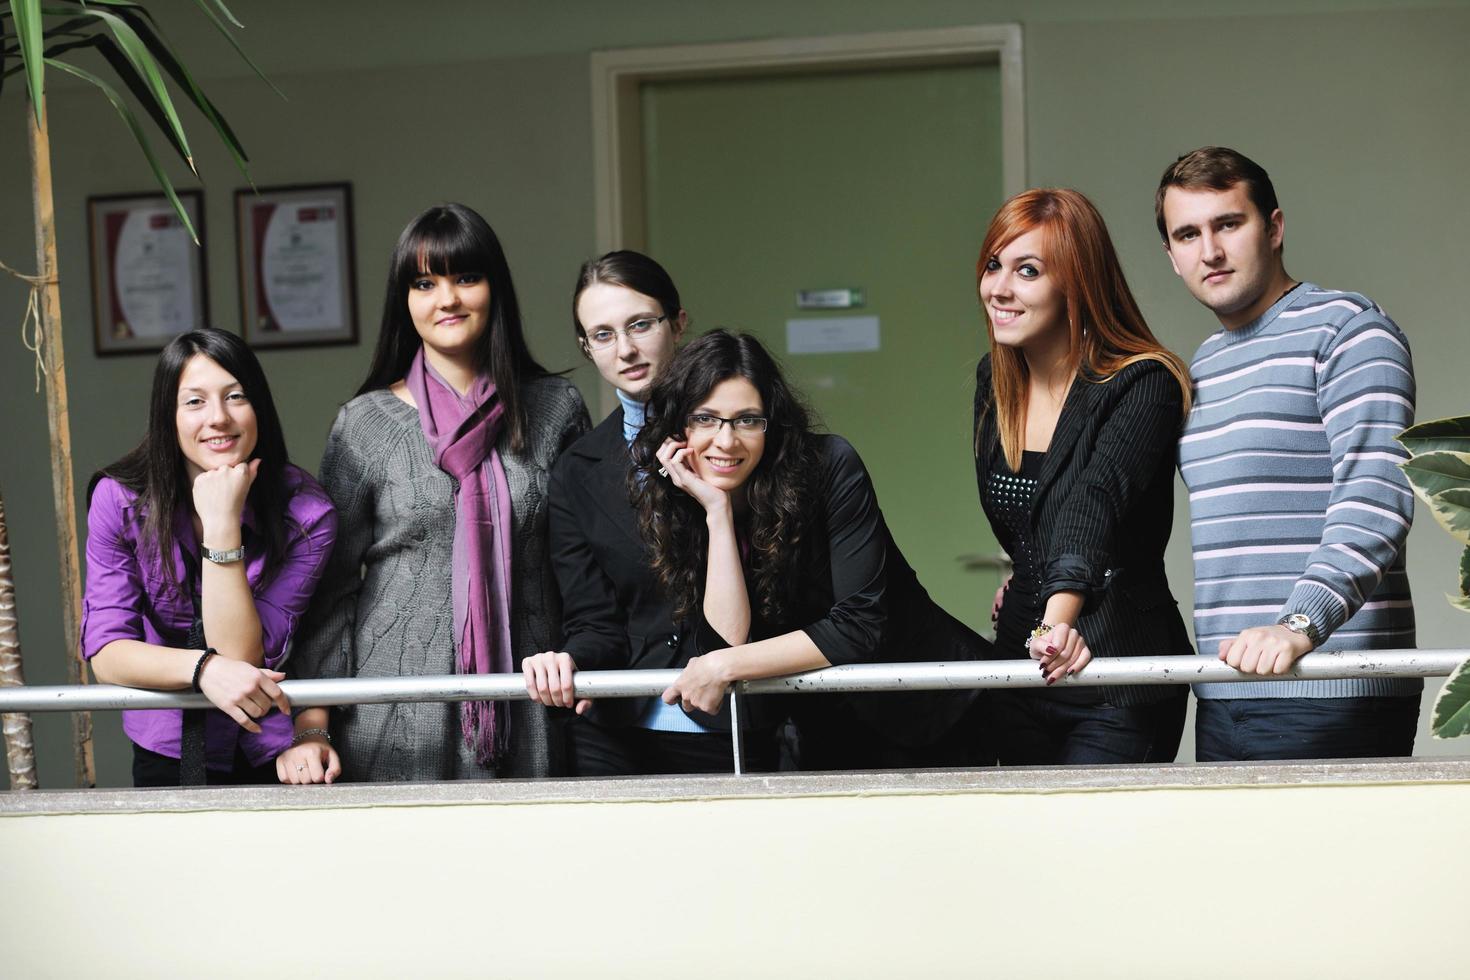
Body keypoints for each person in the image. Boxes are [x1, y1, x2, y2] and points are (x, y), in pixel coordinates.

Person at [281, 203, 590, 783]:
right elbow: (332, 593)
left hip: (530, 701)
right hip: (395, 708)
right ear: (406, 300)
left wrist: (586, 660)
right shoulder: (365, 424)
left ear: (494, 289)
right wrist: (312, 726)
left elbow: (580, 568)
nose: (446, 299)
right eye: (425, 283)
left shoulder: (555, 410)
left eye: (465, 278)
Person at [1157, 146, 1419, 761]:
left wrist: (1299, 625)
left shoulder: (1349, 330)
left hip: (1330, 684)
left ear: (1273, 228)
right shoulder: (1204, 365)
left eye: (1228, 224)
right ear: (1172, 257)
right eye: (1188, 234)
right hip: (1226, 691)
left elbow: (1377, 496)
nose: (1210, 251)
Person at [630, 330, 983, 770]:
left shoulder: (829, 465)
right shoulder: (690, 501)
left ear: (771, 423)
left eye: (747, 419)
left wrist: (723, 666)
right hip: (826, 726)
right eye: (706, 419)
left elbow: (858, 626)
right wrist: (717, 513)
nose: (726, 440)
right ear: (679, 428)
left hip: (933, 708)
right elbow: (725, 643)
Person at [523, 252, 767, 774]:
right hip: (618, 729)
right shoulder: (577, 468)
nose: (627, 349)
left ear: (678, 323)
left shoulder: (740, 437)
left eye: (640, 324)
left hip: (738, 720)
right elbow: (593, 617)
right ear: (587, 348)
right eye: (603, 335)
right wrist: (569, 660)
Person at [975, 187, 1194, 765]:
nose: (999, 287)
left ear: (1076, 283)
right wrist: (1031, 582)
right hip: (1022, 665)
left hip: (1118, 671)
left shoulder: (1143, 381)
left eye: (1027, 271)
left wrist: (1057, 621)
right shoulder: (996, 380)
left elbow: (1092, 500)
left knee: (1096, 849)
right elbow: (1029, 519)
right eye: (994, 265)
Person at [82, 328, 337, 787]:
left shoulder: (307, 513)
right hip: (167, 738)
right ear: (169, 417)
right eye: (194, 402)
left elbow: (240, 653)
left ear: (259, 407)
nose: (217, 418)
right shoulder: (119, 500)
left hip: (272, 742)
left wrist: (221, 522)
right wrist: (203, 669)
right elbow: (107, 653)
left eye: (235, 396)